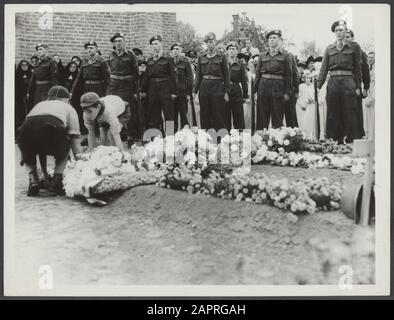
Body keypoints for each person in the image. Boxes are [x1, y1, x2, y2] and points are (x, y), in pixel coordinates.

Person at [17, 85, 81, 196]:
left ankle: (33, 180)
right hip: (53, 127)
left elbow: (41, 147)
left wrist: (45, 174)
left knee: (28, 151)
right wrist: (81, 163)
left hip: (25, 130)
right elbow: (74, 138)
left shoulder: (39, 104)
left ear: (48, 97)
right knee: (66, 147)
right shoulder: (69, 108)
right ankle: (56, 181)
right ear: (66, 99)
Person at [317, 20, 362, 144]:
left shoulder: (354, 47)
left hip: (348, 82)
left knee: (349, 110)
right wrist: (318, 86)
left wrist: (358, 86)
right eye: (336, 30)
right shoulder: (329, 48)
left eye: (341, 30)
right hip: (333, 83)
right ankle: (335, 139)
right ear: (334, 32)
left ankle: (351, 140)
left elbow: (358, 69)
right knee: (333, 111)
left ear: (346, 31)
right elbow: (324, 68)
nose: (338, 32)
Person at [253, 29, 292, 129]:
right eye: (270, 38)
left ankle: (276, 142)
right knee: (262, 116)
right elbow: (257, 74)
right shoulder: (262, 55)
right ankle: (260, 140)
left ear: (279, 40)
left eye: (274, 38)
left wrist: (287, 92)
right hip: (263, 87)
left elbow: (288, 75)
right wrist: (254, 91)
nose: (272, 40)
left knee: (278, 117)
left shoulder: (286, 56)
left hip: (278, 88)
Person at [107, 33, 140, 146]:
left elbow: (136, 74)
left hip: (126, 86)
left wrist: (135, 89)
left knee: (128, 111)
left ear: (124, 42)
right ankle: (116, 135)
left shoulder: (130, 55)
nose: (118, 43)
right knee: (113, 110)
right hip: (114, 87)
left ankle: (131, 136)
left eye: (120, 41)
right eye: (116, 41)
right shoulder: (111, 55)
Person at [193, 32, 230, 132]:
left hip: (217, 88)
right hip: (204, 88)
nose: (209, 44)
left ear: (215, 42)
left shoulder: (221, 56)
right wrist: (194, 91)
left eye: (211, 41)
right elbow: (198, 76)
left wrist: (226, 92)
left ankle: (221, 139)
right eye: (207, 42)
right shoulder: (201, 56)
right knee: (205, 114)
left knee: (218, 114)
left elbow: (226, 76)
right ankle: (206, 138)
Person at [141, 35, 177, 135]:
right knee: (153, 114)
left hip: (165, 88)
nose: (154, 46)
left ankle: (170, 136)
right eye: (152, 44)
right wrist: (142, 90)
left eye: (156, 43)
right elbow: (146, 77)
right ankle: (156, 136)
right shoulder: (150, 60)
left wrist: (174, 91)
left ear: (161, 44)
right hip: (152, 89)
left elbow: (173, 76)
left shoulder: (168, 58)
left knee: (168, 114)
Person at [346, 30, 371, 138]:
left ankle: (358, 135)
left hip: (356, 86)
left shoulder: (361, 53)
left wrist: (366, 87)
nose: (346, 39)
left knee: (356, 110)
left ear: (353, 38)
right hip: (344, 86)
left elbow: (366, 71)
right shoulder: (341, 52)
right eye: (344, 37)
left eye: (348, 36)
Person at [27, 44, 59, 109]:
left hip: (46, 91)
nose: (39, 51)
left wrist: (53, 94)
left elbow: (54, 80)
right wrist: (29, 91)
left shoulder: (51, 62)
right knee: (37, 108)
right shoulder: (37, 63)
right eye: (38, 49)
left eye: (41, 49)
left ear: (47, 51)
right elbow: (33, 79)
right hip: (37, 91)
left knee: (46, 108)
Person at [171, 42, 193, 132]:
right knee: (171, 116)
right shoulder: (169, 62)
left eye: (177, 49)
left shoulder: (185, 62)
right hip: (172, 94)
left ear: (181, 50)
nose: (175, 51)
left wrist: (188, 93)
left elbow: (190, 78)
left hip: (182, 93)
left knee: (183, 114)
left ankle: (185, 135)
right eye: (174, 49)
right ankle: (171, 135)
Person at [226, 41, 248, 130]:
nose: (231, 51)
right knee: (225, 116)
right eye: (230, 49)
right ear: (227, 51)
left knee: (238, 116)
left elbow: (244, 80)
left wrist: (245, 95)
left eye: (234, 49)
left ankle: (240, 138)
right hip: (224, 91)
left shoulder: (240, 64)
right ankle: (224, 139)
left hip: (236, 90)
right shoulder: (222, 63)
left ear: (236, 51)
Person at [15, 60, 33, 133]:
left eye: (26, 65)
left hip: (29, 97)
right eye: (22, 65)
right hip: (20, 97)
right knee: (20, 113)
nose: (24, 66)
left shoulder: (31, 74)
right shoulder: (17, 74)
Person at [363, 51, 375, 138]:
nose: (370, 59)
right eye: (369, 57)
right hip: (367, 94)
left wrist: (372, 98)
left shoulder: (376, 70)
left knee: (372, 117)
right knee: (366, 116)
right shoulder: (366, 68)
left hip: (373, 95)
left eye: (372, 57)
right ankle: (366, 134)